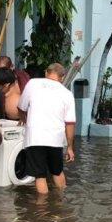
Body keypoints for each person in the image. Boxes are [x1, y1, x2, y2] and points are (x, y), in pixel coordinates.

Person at [18, 63, 76, 194]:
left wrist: (25, 121)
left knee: (40, 176)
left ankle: (43, 211)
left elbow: (21, 108)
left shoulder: (32, 84)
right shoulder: (67, 94)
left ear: (46, 72)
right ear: (62, 77)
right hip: (55, 139)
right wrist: (70, 148)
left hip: (35, 138)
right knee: (57, 171)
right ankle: (60, 203)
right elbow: (70, 123)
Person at [0, 55, 30, 120]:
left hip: (25, 119)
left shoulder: (22, 77)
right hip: (5, 120)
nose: (1, 73)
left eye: (4, 70)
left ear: (12, 67)